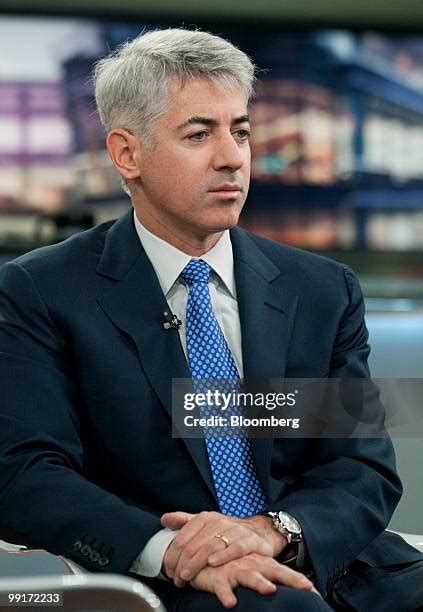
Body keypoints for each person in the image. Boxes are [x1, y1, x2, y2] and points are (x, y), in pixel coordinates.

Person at [0, 28, 422, 612]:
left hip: (332, 563)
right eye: (199, 134)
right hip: (174, 581)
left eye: (240, 131)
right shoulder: (41, 291)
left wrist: (273, 532)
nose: (232, 157)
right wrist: (171, 549)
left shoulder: (321, 290)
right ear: (127, 154)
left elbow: (359, 465)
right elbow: (25, 474)